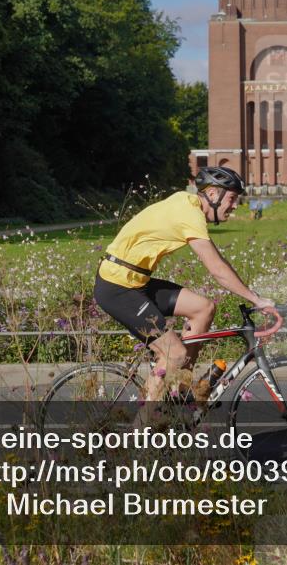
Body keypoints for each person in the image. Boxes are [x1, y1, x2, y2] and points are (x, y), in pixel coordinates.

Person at [94, 166, 274, 402]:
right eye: (232, 198)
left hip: (135, 282)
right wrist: (256, 299)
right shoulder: (189, 213)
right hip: (117, 287)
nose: (234, 205)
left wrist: (252, 295)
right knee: (175, 354)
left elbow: (219, 261)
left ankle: (179, 388)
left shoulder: (187, 204)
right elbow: (217, 269)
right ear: (212, 194)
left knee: (203, 308)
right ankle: (141, 433)